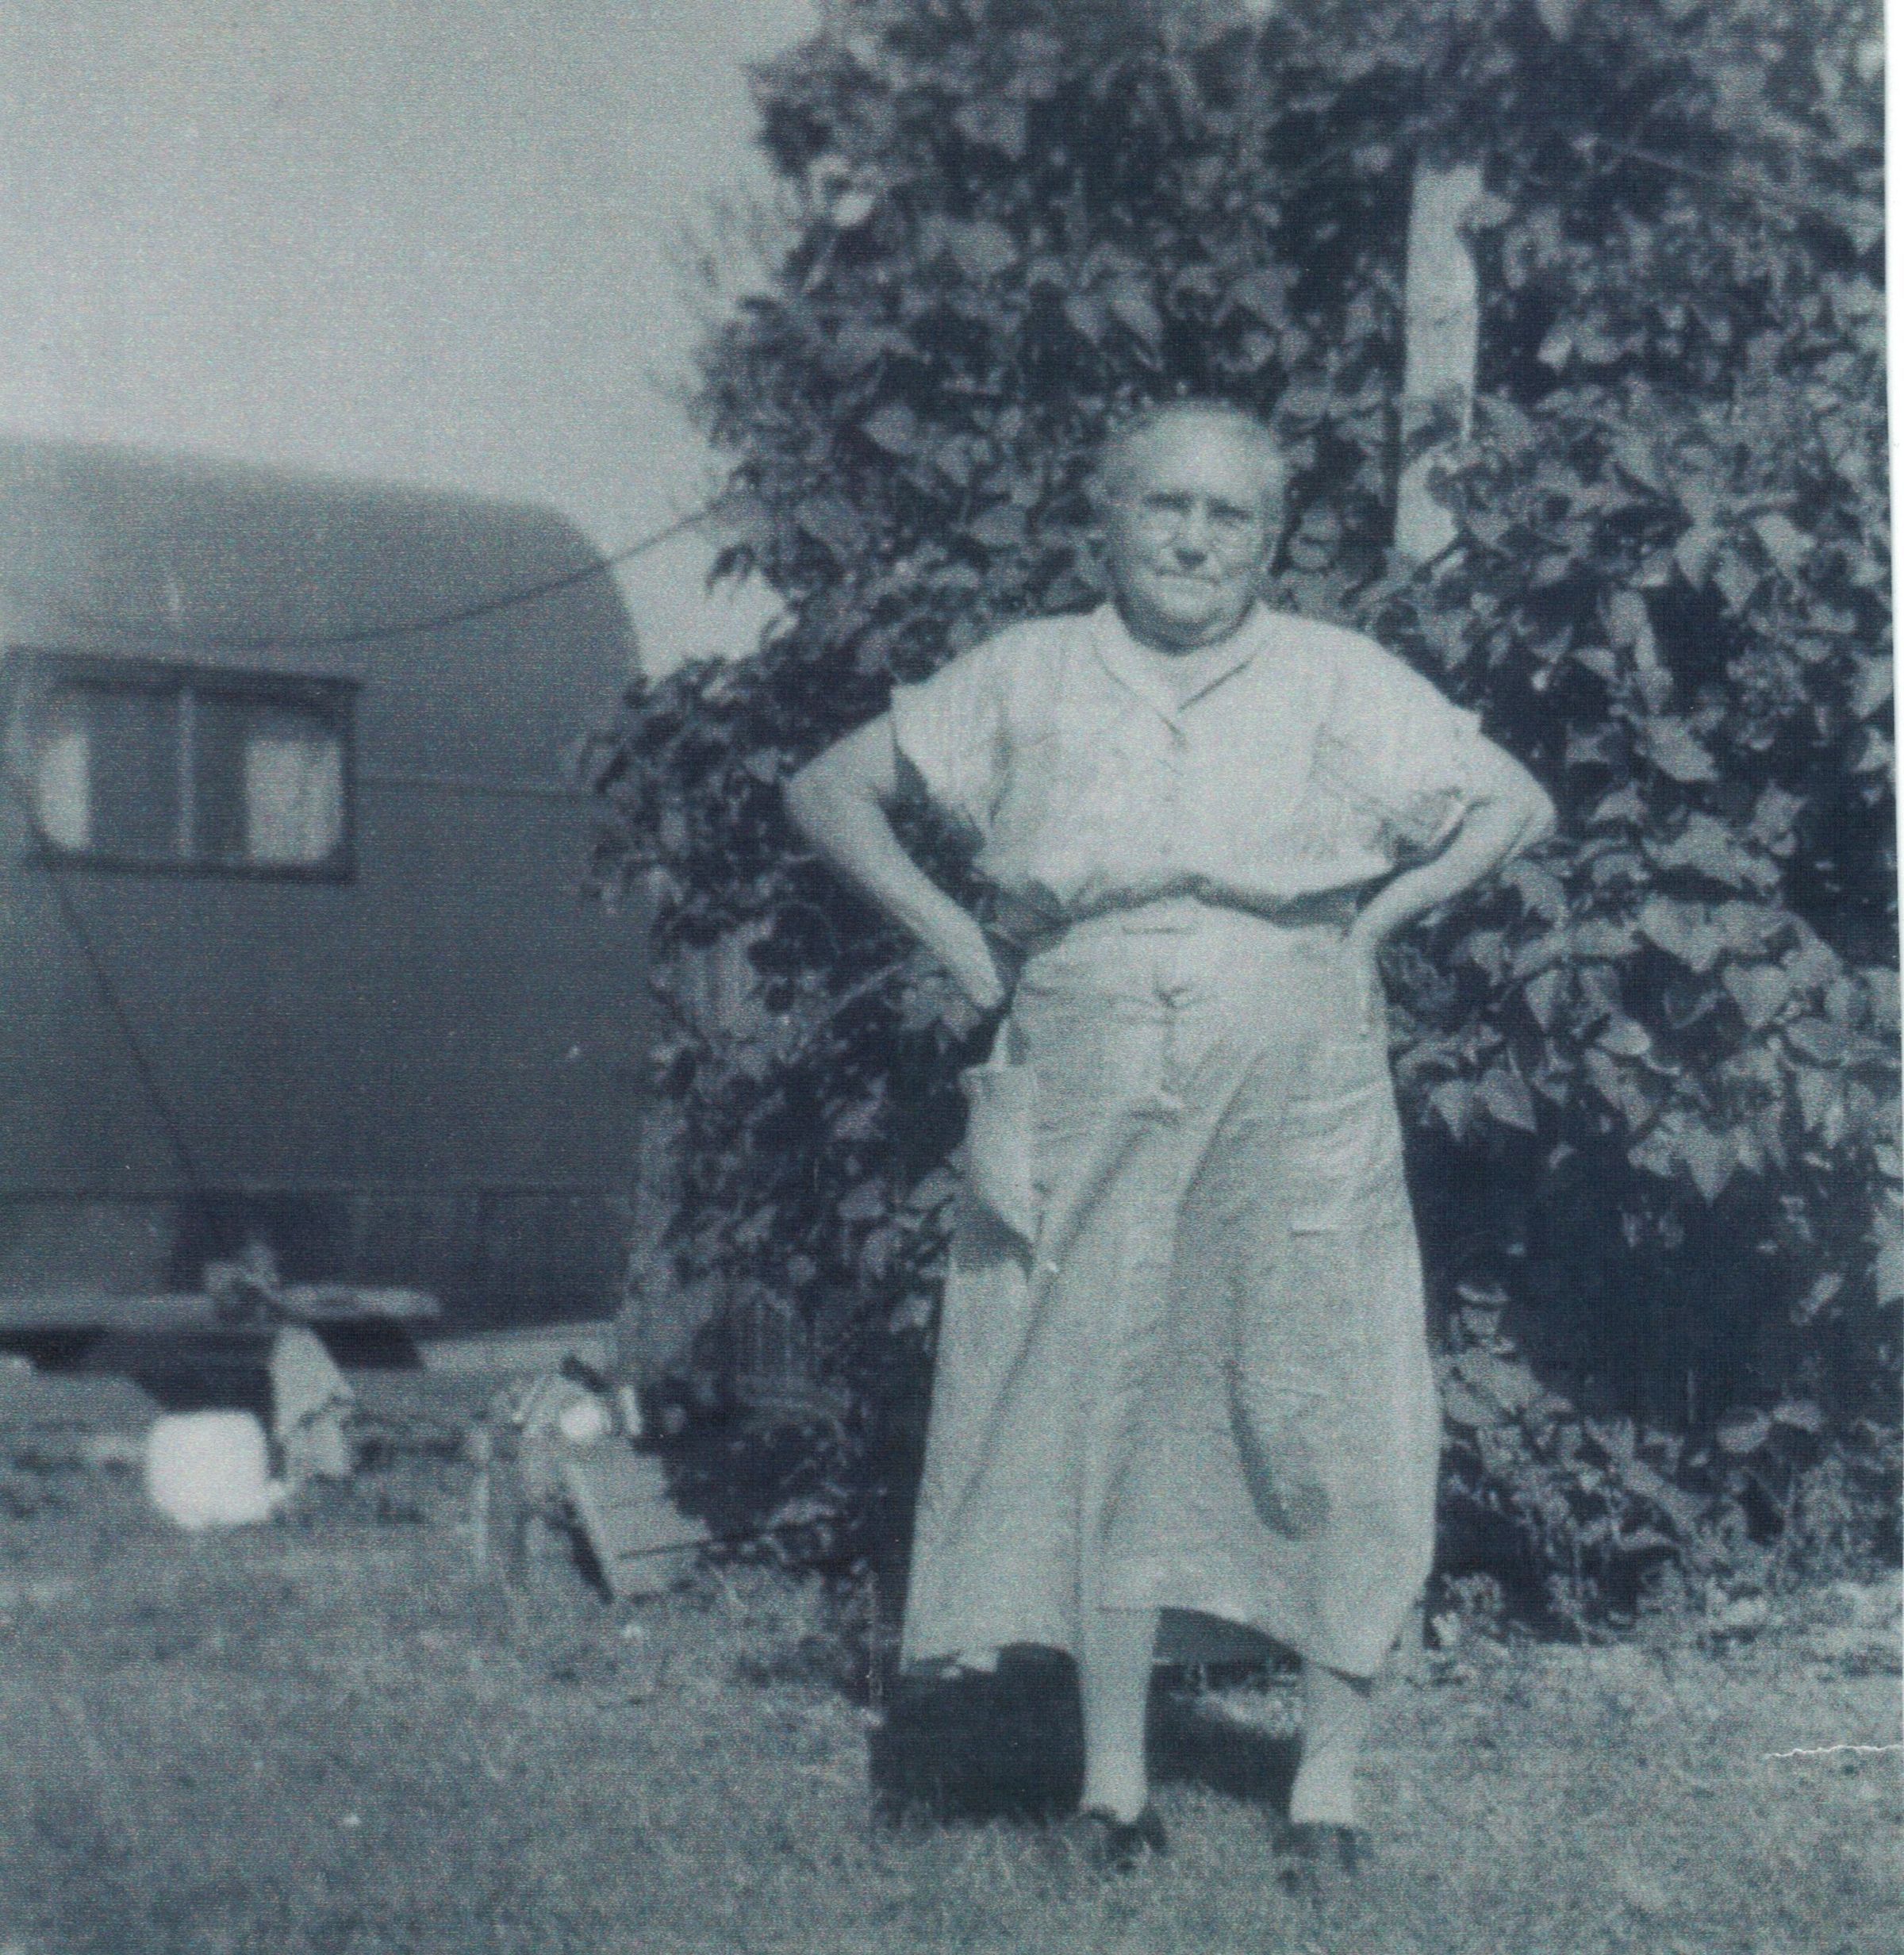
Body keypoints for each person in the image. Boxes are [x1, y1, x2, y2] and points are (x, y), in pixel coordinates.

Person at [784, 399, 1554, 1880]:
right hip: (1085, 1064)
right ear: (1108, 522)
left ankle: (1328, 1787)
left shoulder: (1334, 674)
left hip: (1298, 1074)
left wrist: (1374, 924)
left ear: (1270, 540)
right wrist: (955, 940)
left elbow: (1511, 803)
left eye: (1228, 515)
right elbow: (829, 789)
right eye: (1165, 507)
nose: (1194, 539)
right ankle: (1114, 1787)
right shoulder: (1028, 670)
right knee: (1105, 1391)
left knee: (1323, 1391)